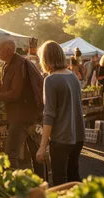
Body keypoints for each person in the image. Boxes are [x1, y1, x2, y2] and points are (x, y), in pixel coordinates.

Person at [0, 37, 45, 177]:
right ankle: (40, 181)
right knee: (35, 151)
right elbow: (3, 84)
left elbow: (15, 94)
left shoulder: (19, 65)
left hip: (22, 117)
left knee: (11, 154)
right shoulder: (9, 64)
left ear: (8, 50)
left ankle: (16, 184)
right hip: (27, 115)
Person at [36, 41, 84, 186]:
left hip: (61, 138)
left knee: (60, 182)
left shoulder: (51, 80)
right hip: (78, 136)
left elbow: (49, 115)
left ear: (45, 59)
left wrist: (42, 147)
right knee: (74, 178)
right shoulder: (73, 76)